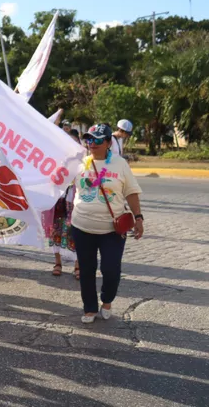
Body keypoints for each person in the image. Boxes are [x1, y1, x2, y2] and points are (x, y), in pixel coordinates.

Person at [72, 124, 144, 324]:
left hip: (111, 230)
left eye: (96, 140)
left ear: (108, 143)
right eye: (88, 139)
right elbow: (58, 182)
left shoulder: (120, 164)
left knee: (111, 270)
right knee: (86, 270)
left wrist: (138, 218)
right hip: (82, 227)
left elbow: (131, 191)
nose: (91, 144)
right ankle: (89, 308)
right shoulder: (79, 163)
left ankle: (107, 300)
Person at [49, 129, 82, 278]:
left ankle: (78, 265)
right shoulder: (56, 159)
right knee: (55, 230)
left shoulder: (85, 160)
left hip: (76, 200)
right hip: (58, 200)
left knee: (77, 232)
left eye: (74, 141)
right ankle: (57, 263)